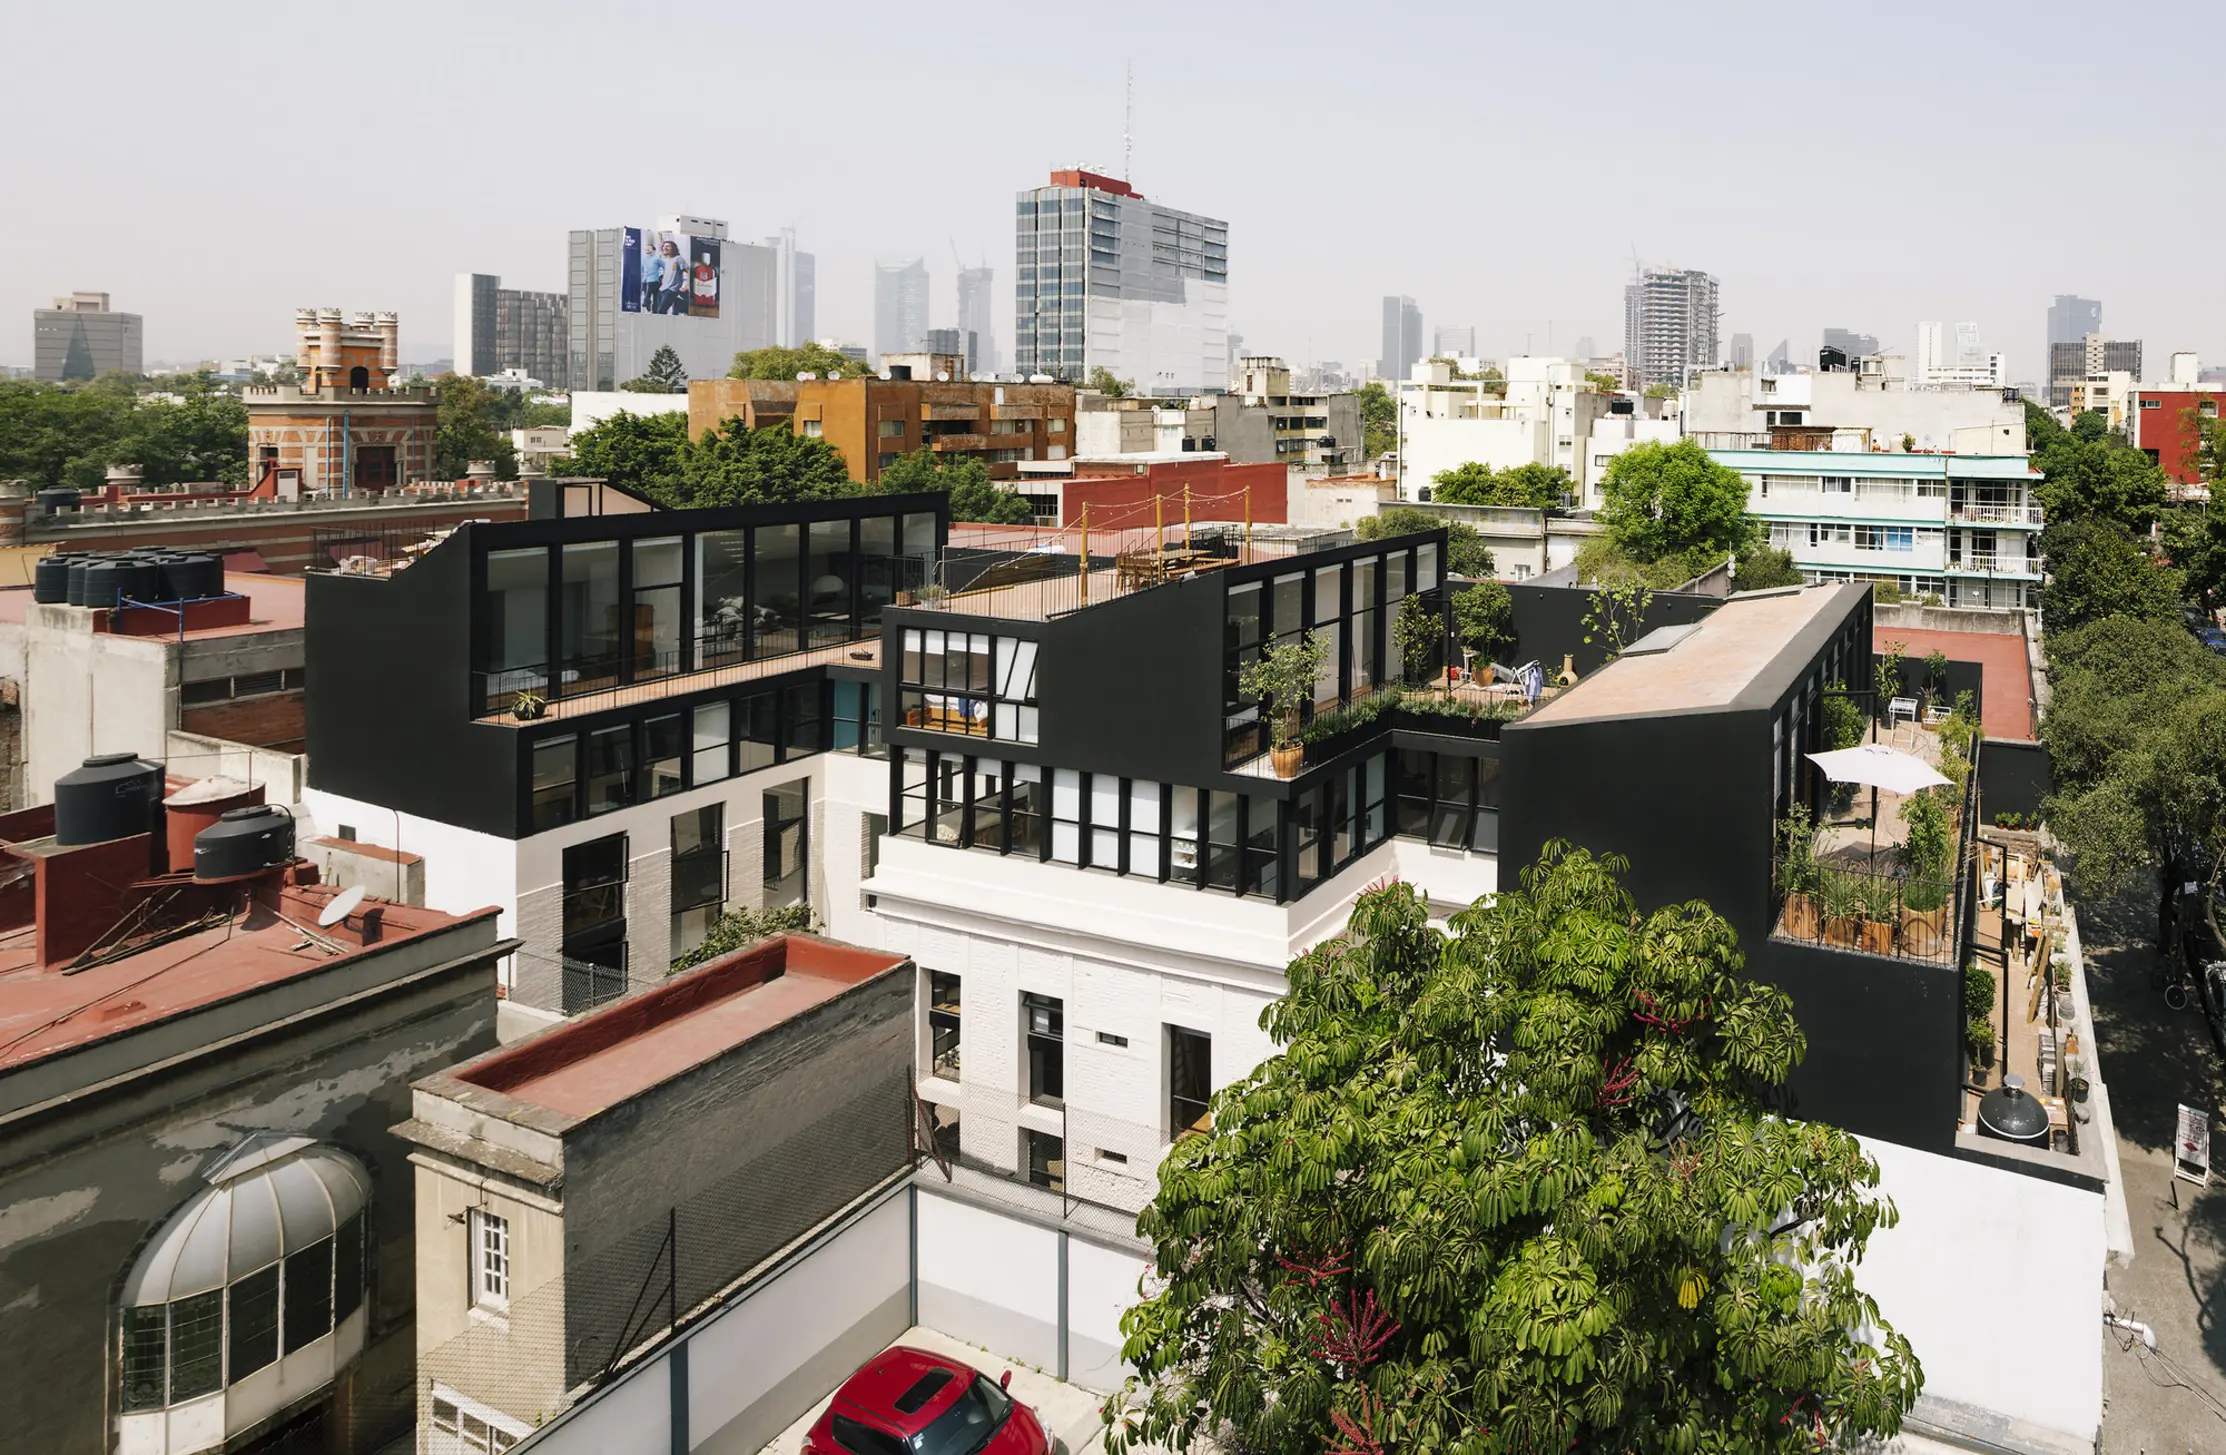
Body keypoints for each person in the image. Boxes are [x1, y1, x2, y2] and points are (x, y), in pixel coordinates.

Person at [655, 238, 689, 315]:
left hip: (672, 289)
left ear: (673, 248)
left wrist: (686, 285)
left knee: (661, 311)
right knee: (657, 312)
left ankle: (681, 304)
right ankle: (680, 303)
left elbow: (688, 271)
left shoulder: (678, 258)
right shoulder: (664, 260)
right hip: (662, 289)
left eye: (668, 246)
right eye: (664, 246)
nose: (665, 248)